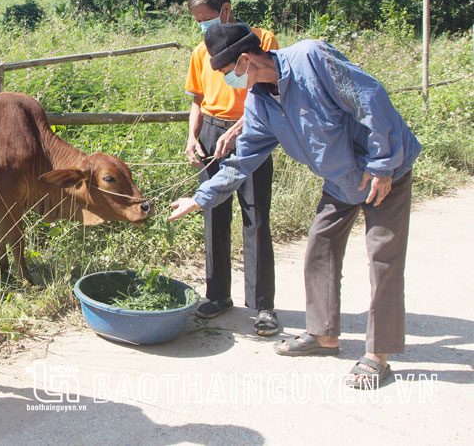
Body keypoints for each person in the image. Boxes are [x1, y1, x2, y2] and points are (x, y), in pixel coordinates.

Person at [169, 22, 421, 389]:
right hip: (341, 181)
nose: (227, 82)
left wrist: (383, 165)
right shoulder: (259, 103)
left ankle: (378, 356)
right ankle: (323, 336)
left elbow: (371, 99)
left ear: (243, 61)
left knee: (383, 257)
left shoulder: (311, 59)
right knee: (320, 248)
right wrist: (200, 197)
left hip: (384, 169)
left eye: (226, 74)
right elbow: (244, 160)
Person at [184, 0, 279, 336]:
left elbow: (267, 93)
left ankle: (262, 305)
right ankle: (218, 295)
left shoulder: (262, 41)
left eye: (206, 19)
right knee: (213, 212)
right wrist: (192, 136)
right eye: (197, 22)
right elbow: (197, 99)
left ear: (226, 10)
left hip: (252, 132)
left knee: (255, 216)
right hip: (211, 131)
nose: (203, 27)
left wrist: (239, 129)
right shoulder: (200, 51)